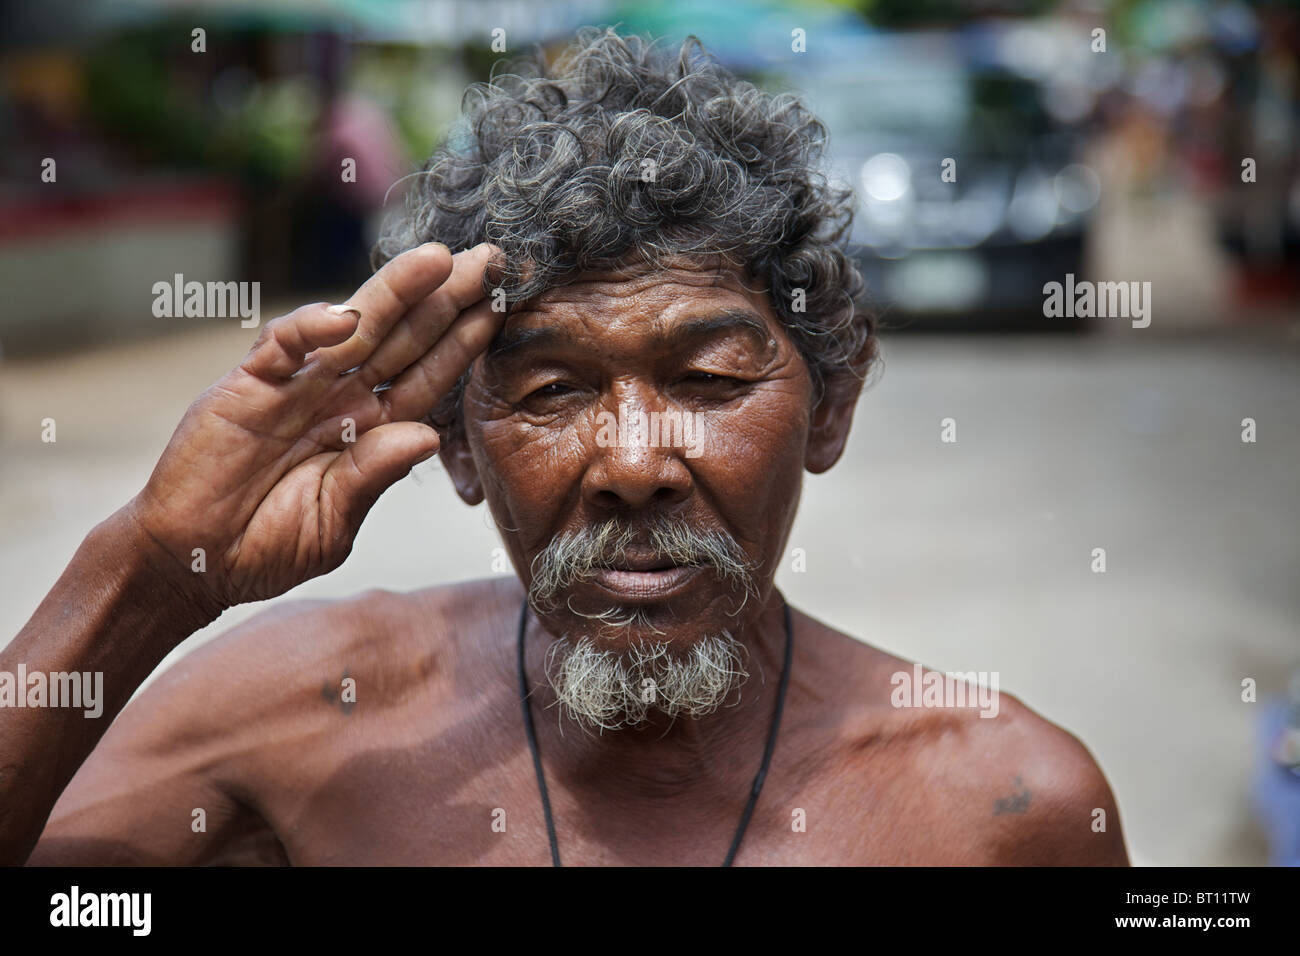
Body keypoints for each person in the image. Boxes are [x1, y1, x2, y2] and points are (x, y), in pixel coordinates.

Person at [2, 29, 1127, 866]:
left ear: (827, 407)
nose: (634, 461)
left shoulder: (1003, 805)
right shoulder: (299, 722)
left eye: (708, 380)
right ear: (454, 444)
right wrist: (151, 570)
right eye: (549, 388)